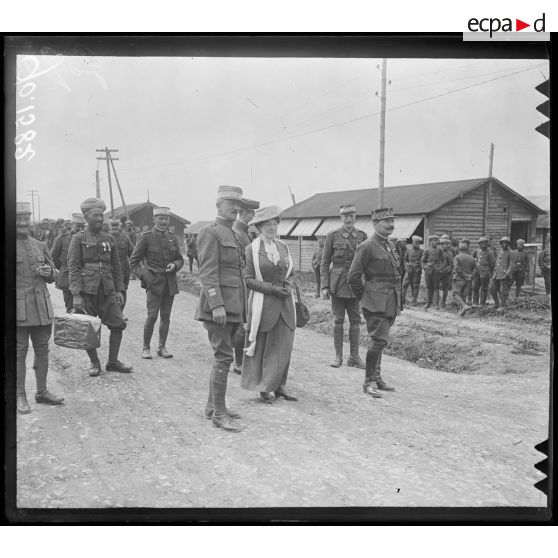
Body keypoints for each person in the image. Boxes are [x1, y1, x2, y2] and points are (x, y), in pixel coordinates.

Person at [195, 185, 247, 432]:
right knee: (224, 356)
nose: (235, 209)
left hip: (234, 305)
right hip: (219, 307)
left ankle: (213, 406)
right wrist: (216, 304)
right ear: (218, 205)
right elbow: (207, 272)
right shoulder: (210, 233)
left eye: (238, 205)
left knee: (222, 356)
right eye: (230, 204)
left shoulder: (234, 234)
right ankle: (218, 413)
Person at [68, 197, 133, 376]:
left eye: (101, 215)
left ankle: (112, 362)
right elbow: (73, 267)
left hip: (107, 290)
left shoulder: (109, 238)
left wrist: (119, 289)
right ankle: (94, 363)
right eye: (95, 215)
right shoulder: (78, 239)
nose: (100, 219)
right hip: (87, 292)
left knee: (118, 325)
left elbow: (117, 267)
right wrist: (76, 294)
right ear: (86, 217)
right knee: (89, 329)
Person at [241, 205, 298, 403]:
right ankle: (264, 386)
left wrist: (288, 286)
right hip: (263, 303)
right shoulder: (252, 250)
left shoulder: (283, 247)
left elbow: (291, 273)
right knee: (264, 346)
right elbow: (248, 279)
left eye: (274, 224)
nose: (272, 228)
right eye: (267, 225)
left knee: (284, 344)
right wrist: (273, 289)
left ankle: (280, 385)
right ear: (259, 228)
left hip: (285, 304)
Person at [16, 202, 64, 414]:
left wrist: (49, 272)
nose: (22, 222)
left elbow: (55, 275)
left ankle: (41, 392)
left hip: (41, 307)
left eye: (26, 218)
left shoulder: (40, 245)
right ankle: (19, 396)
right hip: (18, 310)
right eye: (18, 218)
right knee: (19, 353)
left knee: (42, 349)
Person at [348, 207, 400, 398]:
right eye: (386, 221)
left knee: (381, 340)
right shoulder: (367, 246)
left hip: (391, 300)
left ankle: (376, 377)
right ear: (375, 224)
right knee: (379, 340)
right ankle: (368, 381)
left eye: (392, 221)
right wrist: (365, 295)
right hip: (375, 300)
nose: (391, 225)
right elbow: (353, 276)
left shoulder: (391, 246)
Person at [129, 207, 184, 359]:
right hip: (154, 283)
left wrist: (175, 265)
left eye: (166, 218)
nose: (163, 221)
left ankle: (162, 347)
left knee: (166, 317)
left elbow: (180, 258)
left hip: (170, 283)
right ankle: (146, 348)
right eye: (160, 218)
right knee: (152, 316)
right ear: (154, 219)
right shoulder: (145, 237)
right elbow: (133, 262)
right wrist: (145, 277)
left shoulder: (172, 237)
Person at [320, 205, 367, 368]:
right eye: (345, 216)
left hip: (355, 283)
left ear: (355, 216)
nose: (349, 219)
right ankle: (338, 356)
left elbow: (365, 262)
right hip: (338, 282)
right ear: (341, 217)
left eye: (352, 215)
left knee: (355, 320)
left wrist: (365, 284)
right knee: (338, 320)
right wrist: (325, 286)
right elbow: (325, 263)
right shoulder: (332, 235)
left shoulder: (362, 235)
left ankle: (354, 357)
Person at [231, 197, 260, 375]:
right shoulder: (237, 232)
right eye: (251, 213)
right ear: (245, 213)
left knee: (246, 322)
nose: (252, 217)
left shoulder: (245, 232)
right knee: (242, 323)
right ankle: (238, 362)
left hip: (247, 282)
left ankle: (242, 359)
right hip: (242, 283)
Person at [51, 213, 86, 312]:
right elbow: (54, 257)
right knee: (71, 308)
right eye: (77, 226)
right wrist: (64, 268)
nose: (80, 229)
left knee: (85, 308)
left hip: (84, 277)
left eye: (82, 226)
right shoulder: (62, 239)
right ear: (72, 225)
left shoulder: (87, 238)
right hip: (68, 279)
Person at [109, 218, 134, 312]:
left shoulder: (125, 238)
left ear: (120, 226)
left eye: (116, 225)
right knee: (110, 291)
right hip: (109, 270)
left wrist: (134, 267)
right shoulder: (105, 238)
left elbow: (132, 253)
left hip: (124, 269)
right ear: (109, 227)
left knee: (123, 291)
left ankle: (120, 313)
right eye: (113, 225)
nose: (115, 227)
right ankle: (112, 313)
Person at [452, 242, 477, 316]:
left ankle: (463, 306)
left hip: (459, 279)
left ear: (459, 249)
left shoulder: (457, 257)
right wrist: (470, 276)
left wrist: (465, 275)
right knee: (463, 296)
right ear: (467, 249)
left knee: (455, 294)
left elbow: (457, 268)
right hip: (468, 280)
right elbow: (476, 269)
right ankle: (462, 310)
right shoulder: (472, 258)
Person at [489, 236, 514, 309]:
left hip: (504, 275)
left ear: (508, 244)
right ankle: (496, 304)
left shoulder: (511, 252)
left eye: (506, 243)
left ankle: (502, 306)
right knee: (492, 289)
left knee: (503, 291)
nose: (504, 245)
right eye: (502, 243)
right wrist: (494, 272)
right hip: (496, 274)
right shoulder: (500, 251)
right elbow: (497, 262)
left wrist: (507, 274)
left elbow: (511, 265)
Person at [421, 234, 443, 309]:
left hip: (436, 271)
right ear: (431, 242)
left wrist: (440, 268)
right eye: (433, 240)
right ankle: (428, 303)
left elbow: (443, 261)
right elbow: (422, 261)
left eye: (436, 240)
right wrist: (425, 267)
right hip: (428, 271)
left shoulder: (440, 250)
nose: (435, 242)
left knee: (436, 287)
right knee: (428, 287)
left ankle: (436, 304)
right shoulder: (426, 250)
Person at [471, 237, 496, 305]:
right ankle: (475, 303)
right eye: (481, 244)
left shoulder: (490, 252)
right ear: (479, 245)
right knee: (475, 288)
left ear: (487, 244)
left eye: (484, 244)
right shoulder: (478, 251)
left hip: (485, 273)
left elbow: (492, 264)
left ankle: (482, 303)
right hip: (477, 273)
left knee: (484, 289)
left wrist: (489, 272)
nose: (483, 245)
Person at [402, 235, 423, 305]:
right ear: (412, 242)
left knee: (415, 285)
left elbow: (423, 261)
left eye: (418, 243)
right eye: (415, 243)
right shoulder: (408, 250)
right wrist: (406, 265)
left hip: (417, 271)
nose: (416, 244)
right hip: (409, 270)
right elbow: (405, 259)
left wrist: (419, 266)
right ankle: (402, 300)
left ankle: (414, 301)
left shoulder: (422, 251)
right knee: (404, 284)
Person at [439, 236, 455, 308]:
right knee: (436, 287)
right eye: (444, 244)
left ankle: (443, 302)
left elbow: (451, 264)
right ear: (441, 244)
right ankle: (435, 302)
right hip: (437, 272)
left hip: (446, 273)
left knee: (445, 288)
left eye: (447, 244)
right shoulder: (438, 252)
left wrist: (446, 270)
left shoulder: (450, 254)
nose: (446, 246)